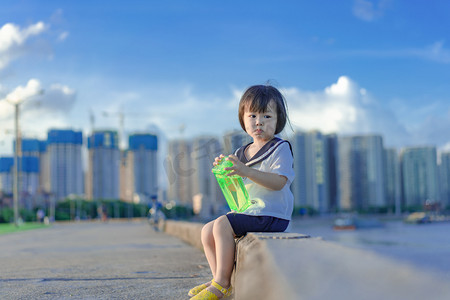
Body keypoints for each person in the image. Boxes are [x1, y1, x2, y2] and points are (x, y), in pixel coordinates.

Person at [188, 84, 295, 300]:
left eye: (267, 116)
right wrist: (227, 172)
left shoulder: (280, 147)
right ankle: (219, 277)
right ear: (242, 118)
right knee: (207, 231)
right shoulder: (240, 152)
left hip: (272, 214)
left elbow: (279, 182)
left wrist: (244, 170)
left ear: (278, 120)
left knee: (221, 224)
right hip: (252, 211)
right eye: (253, 115)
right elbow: (238, 187)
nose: (259, 122)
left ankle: (222, 283)